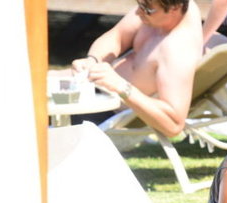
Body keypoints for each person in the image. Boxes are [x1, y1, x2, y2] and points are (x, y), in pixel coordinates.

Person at [70, 0, 203, 137]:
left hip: (110, 117)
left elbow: (174, 125)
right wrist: (93, 60)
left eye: (147, 8)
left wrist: (121, 86)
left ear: (175, 8)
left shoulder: (178, 50)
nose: (138, 12)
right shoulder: (161, 11)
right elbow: (118, 35)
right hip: (96, 92)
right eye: (140, 4)